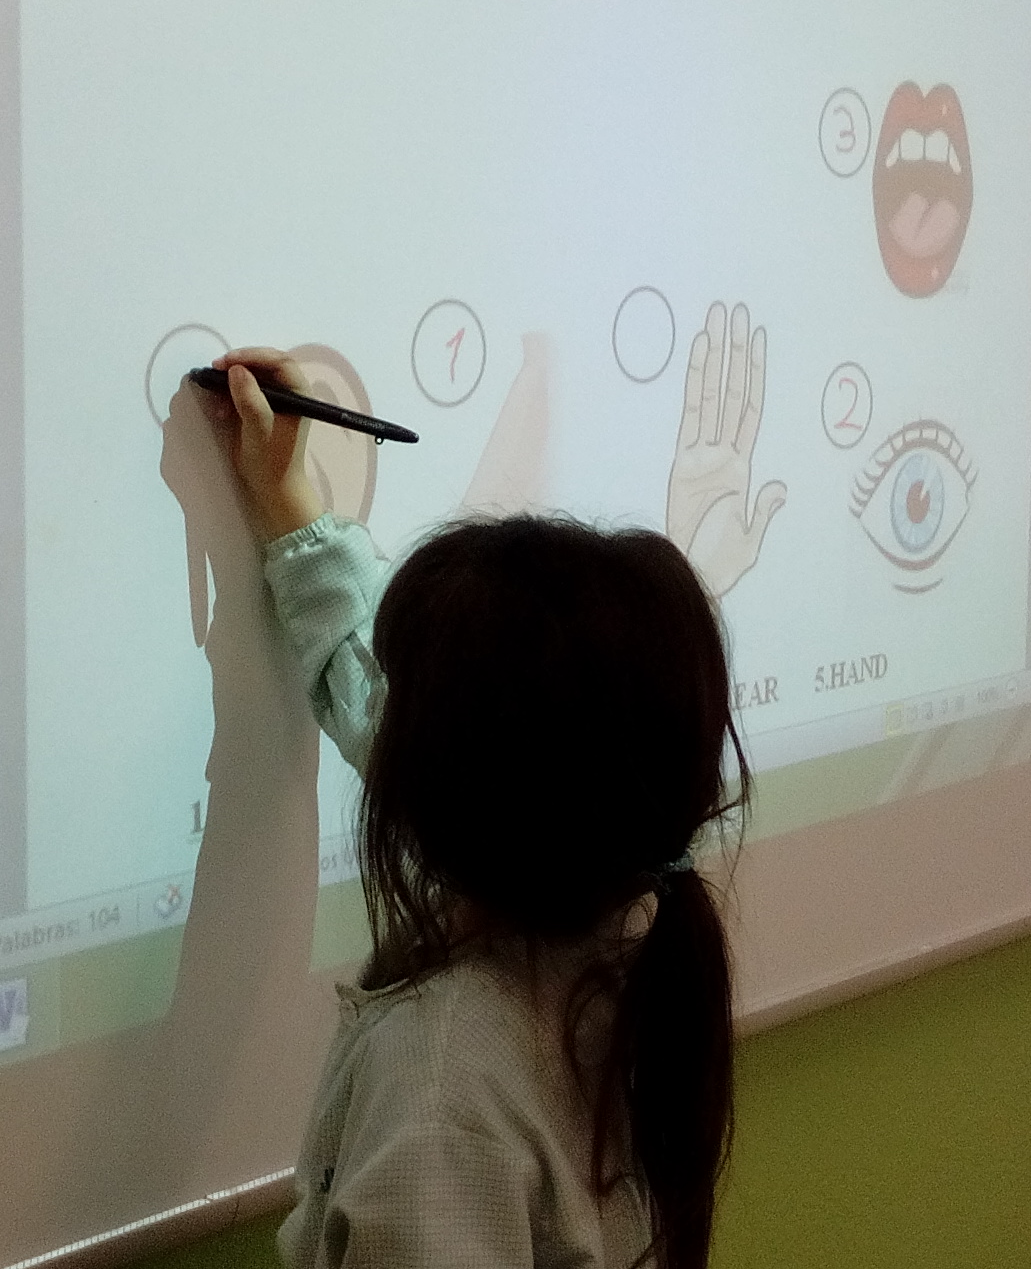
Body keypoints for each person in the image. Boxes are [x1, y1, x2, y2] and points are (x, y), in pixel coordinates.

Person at [197, 348, 748, 1269]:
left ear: (450, 775)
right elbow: (390, 711)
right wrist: (287, 503)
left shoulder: (439, 1089)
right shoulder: (621, 927)